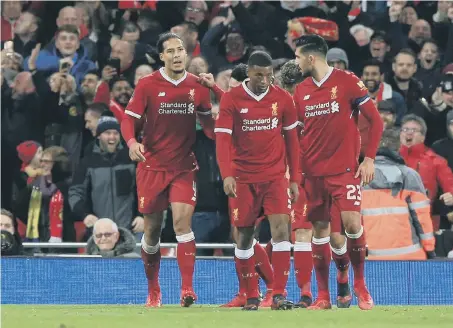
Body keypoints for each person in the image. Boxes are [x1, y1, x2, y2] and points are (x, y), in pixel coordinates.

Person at [120, 32, 214, 308]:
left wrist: (215, 121)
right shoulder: (148, 85)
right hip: (152, 167)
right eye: (170, 51)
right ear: (161, 56)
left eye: (181, 50)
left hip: (184, 167)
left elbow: (208, 128)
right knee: (152, 232)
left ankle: (187, 289)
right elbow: (129, 120)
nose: (177, 55)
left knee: (183, 225)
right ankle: (154, 291)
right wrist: (131, 141)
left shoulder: (197, 85)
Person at [294, 35, 383, 310]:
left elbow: (376, 121)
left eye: (298, 57)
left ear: (311, 58)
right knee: (320, 234)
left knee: (352, 225)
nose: (296, 63)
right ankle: (323, 296)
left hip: (344, 170)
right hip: (313, 174)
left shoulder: (347, 81)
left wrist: (368, 159)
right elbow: (296, 134)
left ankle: (360, 285)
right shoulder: (301, 90)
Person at [215, 51, 300, 311]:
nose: (264, 80)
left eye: (268, 75)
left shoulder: (283, 98)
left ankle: (279, 294)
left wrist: (294, 178)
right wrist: (227, 174)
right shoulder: (232, 99)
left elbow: (292, 142)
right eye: (259, 75)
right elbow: (222, 140)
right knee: (244, 237)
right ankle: (251, 295)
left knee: (282, 230)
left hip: (274, 176)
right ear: (249, 73)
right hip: (243, 177)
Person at [199, 63, 276, 308]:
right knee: (240, 236)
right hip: (236, 178)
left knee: (245, 235)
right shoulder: (235, 102)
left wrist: (214, 89)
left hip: (254, 177)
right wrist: (213, 87)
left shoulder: (254, 106)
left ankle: (271, 288)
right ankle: (248, 291)